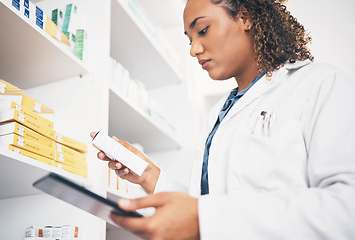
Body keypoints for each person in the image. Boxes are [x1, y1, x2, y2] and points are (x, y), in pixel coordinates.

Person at [91, 0, 355, 239]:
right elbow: (209, 203)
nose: (194, 49)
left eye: (202, 30)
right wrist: (149, 175)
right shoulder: (220, 113)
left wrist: (205, 219)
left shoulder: (320, 85)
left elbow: (346, 209)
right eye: (189, 39)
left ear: (245, 16)